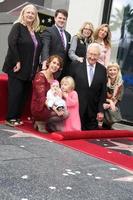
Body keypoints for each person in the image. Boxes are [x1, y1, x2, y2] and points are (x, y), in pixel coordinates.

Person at [2, 4, 42, 127]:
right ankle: (10, 117)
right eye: (28, 12)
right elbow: (12, 44)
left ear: (35, 17)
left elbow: (37, 50)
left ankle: (17, 116)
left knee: (23, 95)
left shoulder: (35, 32)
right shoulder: (17, 26)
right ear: (23, 14)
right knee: (16, 93)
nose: (30, 15)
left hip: (29, 70)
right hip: (17, 67)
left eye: (32, 13)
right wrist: (17, 61)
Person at [69, 43, 107, 130]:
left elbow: (103, 92)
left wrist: (101, 111)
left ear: (99, 56)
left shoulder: (102, 70)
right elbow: (68, 85)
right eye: (91, 54)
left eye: (95, 55)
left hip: (92, 113)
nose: (92, 57)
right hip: (76, 110)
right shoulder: (76, 65)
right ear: (86, 53)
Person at [31, 55, 68, 133]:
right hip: (40, 106)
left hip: (50, 104)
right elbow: (42, 98)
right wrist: (56, 109)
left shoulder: (54, 78)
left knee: (65, 113)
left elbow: (55, 97)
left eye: (58, 64)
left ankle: (45, 123)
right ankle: (39, 121)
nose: (55, 66)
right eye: (54, 63)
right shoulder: (40, 76)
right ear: (48, 63)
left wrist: (60, 94)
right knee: (62, 113)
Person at [41, 9, 71, 79]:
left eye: (64, 19)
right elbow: (45, 47)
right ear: (55, 18)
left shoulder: (68, 35)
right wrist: (45, 62)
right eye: (60, 18)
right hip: (50, 68)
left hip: (62, 70)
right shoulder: (48, 30)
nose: (62, 20)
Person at [103, 62, 124, 128]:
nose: (112, 72)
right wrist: (110, 101)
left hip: (112, 107)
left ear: (118, 71)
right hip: (102, 104)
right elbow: (99, 95)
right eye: (110, 70)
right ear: (107, 71)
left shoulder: (120, 84)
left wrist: (111, 104)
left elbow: (118, 98)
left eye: (114, 70)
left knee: (107, 126)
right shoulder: (104, 81)